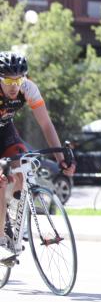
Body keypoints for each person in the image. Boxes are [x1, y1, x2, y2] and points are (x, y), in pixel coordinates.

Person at [0, 52, 75, 256]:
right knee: (1, 180)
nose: (14, 85)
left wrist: (61, 160)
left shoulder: (28, 89)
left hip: (5, 130)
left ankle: (15, 222)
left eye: (19, 79)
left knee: (22, 169)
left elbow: (46, 125)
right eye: (8, 80)